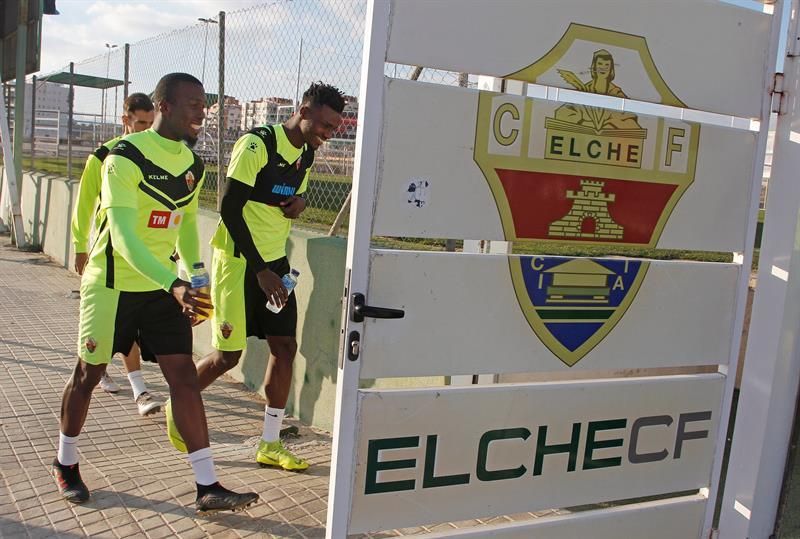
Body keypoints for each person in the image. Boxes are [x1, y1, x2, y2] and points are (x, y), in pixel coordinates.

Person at [53, 72, 259, 514]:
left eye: (204, 104)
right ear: (164, 106)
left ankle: (207, 485)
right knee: (87, 377)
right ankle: (65, 462)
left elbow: (183, 223)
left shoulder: (193, 164)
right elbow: (125, 239)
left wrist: (196, 275)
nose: (202, 112)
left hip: (162, 289)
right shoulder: (121, 158)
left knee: (184, 378)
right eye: (193, 104)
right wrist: (175, 284)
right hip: (112, 287)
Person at [164, 82, 344, 471]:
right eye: (326, 125)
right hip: (239, 261)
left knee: (284, 348)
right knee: (228, 356)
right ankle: (177, 402)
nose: (329, 134)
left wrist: (301, 203)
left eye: (335, 128)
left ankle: (269, 443)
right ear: (305, 109)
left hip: (276, 264)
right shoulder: (257, 144)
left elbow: (288, 198)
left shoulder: (308, 155)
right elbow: (230, 207)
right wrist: (260, 270)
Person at [70, 92, 161, 416]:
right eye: (139, 123)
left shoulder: (155, 155)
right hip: (109, 257)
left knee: (130, 328)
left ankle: (138, 390)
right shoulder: (104, 156)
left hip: (143, 258)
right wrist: (80, 245)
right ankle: (114, 374)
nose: (145, 129)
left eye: (151, 123)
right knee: (112, 328)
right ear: (125, 120)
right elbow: (84, 203)